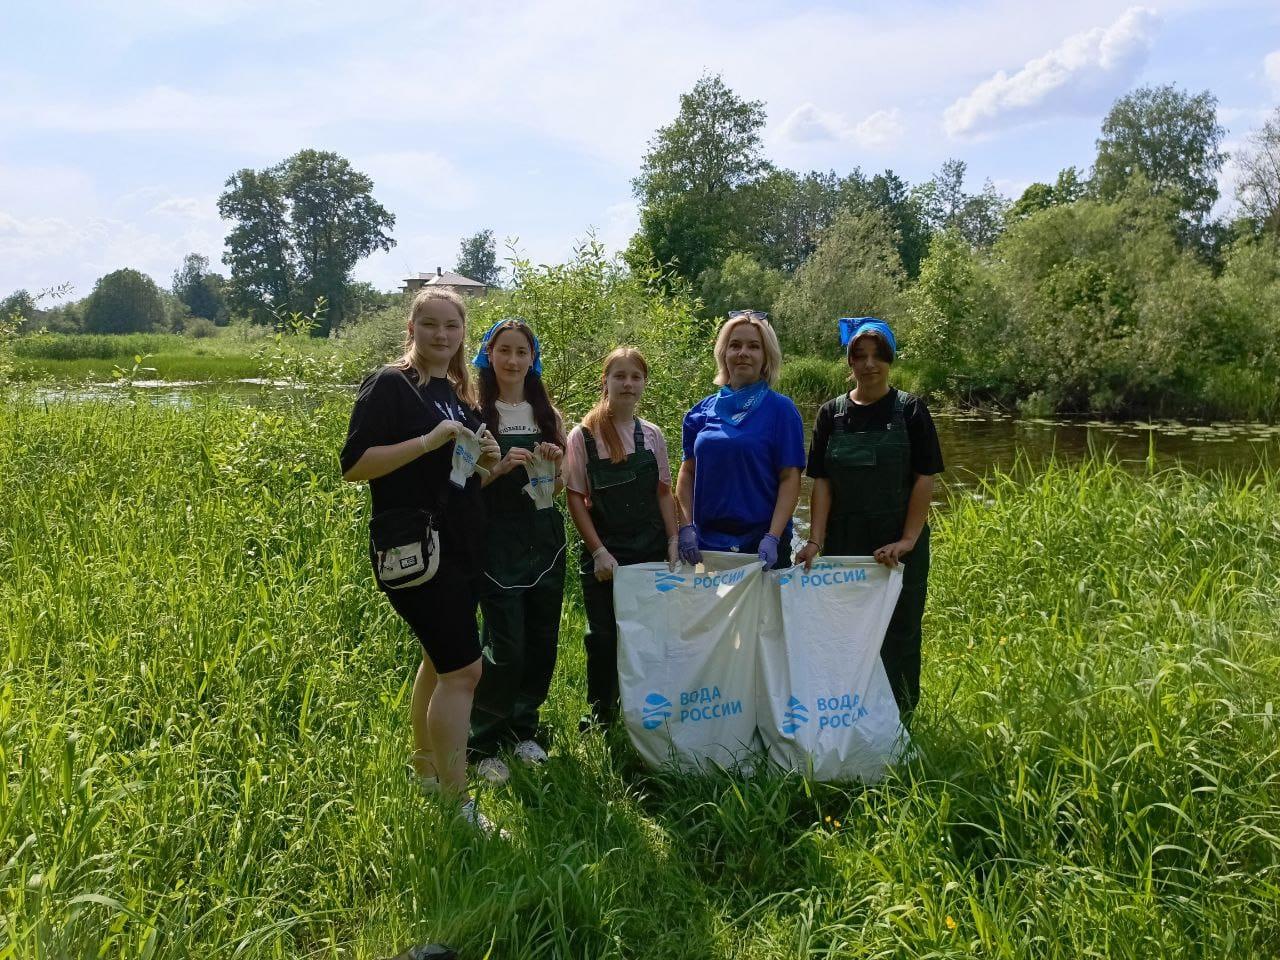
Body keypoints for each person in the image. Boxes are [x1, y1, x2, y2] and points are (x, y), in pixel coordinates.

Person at [340, 288, 503, 834]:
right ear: (411, 328)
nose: (441, 335)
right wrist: (427, 441)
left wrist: (491, 464)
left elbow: (460, 479)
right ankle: (458, 807)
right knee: (465, 672)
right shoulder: (391, 385)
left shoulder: (455, 396)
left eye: (451, 326)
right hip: (416, 550)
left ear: (462, 334)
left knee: (439, 661)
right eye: (429, 324)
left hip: (462, 546)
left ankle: (425, 771)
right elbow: (356, 464)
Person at [795, 319, 944, 717]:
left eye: (878, 355)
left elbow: (924, 479)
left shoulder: (911, 410)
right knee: (844, 635)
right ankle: (845, 718)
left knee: (900, 636)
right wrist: (815, 541)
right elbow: (821, 482)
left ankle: (900, 724)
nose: (869, 364)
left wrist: (909, 540)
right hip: (845, 545)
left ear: (890, 359)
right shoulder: (831, 414)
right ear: (849, 361)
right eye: (859, 356)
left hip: (897, 547)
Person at [468, 318, 567, 783]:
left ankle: (525, 730)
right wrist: (502, 467)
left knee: (542, 641)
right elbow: (462, 485)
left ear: (533, 358)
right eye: (503, 350)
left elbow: (561, 486)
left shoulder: (548, 414)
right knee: (505, 646)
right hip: (495, 541)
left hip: (545, 539)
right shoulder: (474, 411)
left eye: (521, 352)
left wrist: (555, 462)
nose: (512, 360)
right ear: (488, 354)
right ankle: (484, 740)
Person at [563, 348, 679, 726]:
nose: (628, 383)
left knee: (651, 637)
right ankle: (601, 715)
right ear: (606, 382)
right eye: (619, 376)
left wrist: (674, 539)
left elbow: (665, 491)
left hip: (650, 551)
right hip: (606, 558)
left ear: (644, 383)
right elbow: (576, 499)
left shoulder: (652, 435)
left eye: (635, 376)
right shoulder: (582, 437)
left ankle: (648, 711)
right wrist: (597, 551)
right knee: (604, 637)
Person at [675, 310, 806, 569]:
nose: (743, 352)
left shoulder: (782, 410)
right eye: (735, 345)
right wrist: (686, 526)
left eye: (753, 346)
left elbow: (790, 479)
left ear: (766, 356)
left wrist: (773, 536)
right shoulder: (700, 412)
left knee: (765, 611)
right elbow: (687, 473)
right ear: (724, 353)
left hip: (761, 544)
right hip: (707, 546)